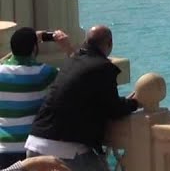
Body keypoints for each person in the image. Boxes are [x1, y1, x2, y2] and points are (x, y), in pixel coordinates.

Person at [25, 26, 138, 171]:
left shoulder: (72, 62)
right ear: (109, 43)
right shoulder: (103, 67)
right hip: (67, 149)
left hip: (35, 143)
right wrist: (135, 102)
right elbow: (113, 108)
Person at [0, 28, 71, 168]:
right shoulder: (42, 72)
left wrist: (26, 44)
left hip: (3, 147)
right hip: (31, 148)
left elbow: (5, 60)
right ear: (34, 48)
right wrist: (67, 47)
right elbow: (73, 73)